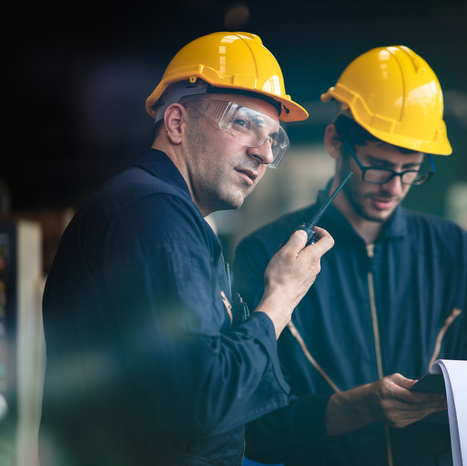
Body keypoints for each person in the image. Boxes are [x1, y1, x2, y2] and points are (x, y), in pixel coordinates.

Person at [39, 32, 334, 466]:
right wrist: (281, 297)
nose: (264, 153)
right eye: (243, 123)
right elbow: (204, 398)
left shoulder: (164, 215)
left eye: (274, 137)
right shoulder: (154, 213)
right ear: (176, 123)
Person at [233, 45, 467, 466]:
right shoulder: (268, 255)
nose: (394, 187)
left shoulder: (455, 251)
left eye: (411, 168)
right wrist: (353, 409)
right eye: (378, 165)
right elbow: (253, 427)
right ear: (334, 142)